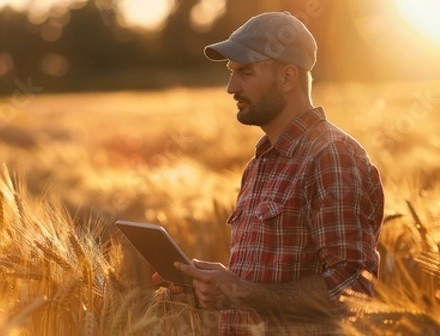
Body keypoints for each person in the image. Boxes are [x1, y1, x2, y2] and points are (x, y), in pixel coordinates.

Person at [153, 11, 385, 335]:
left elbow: (353, 291)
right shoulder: (261, 164)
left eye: (245, 72)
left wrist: (240, 290)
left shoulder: (331, 157)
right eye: (231, 73)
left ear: (288, 78)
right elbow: (260, 287)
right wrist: (209, 290)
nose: (231, 87)